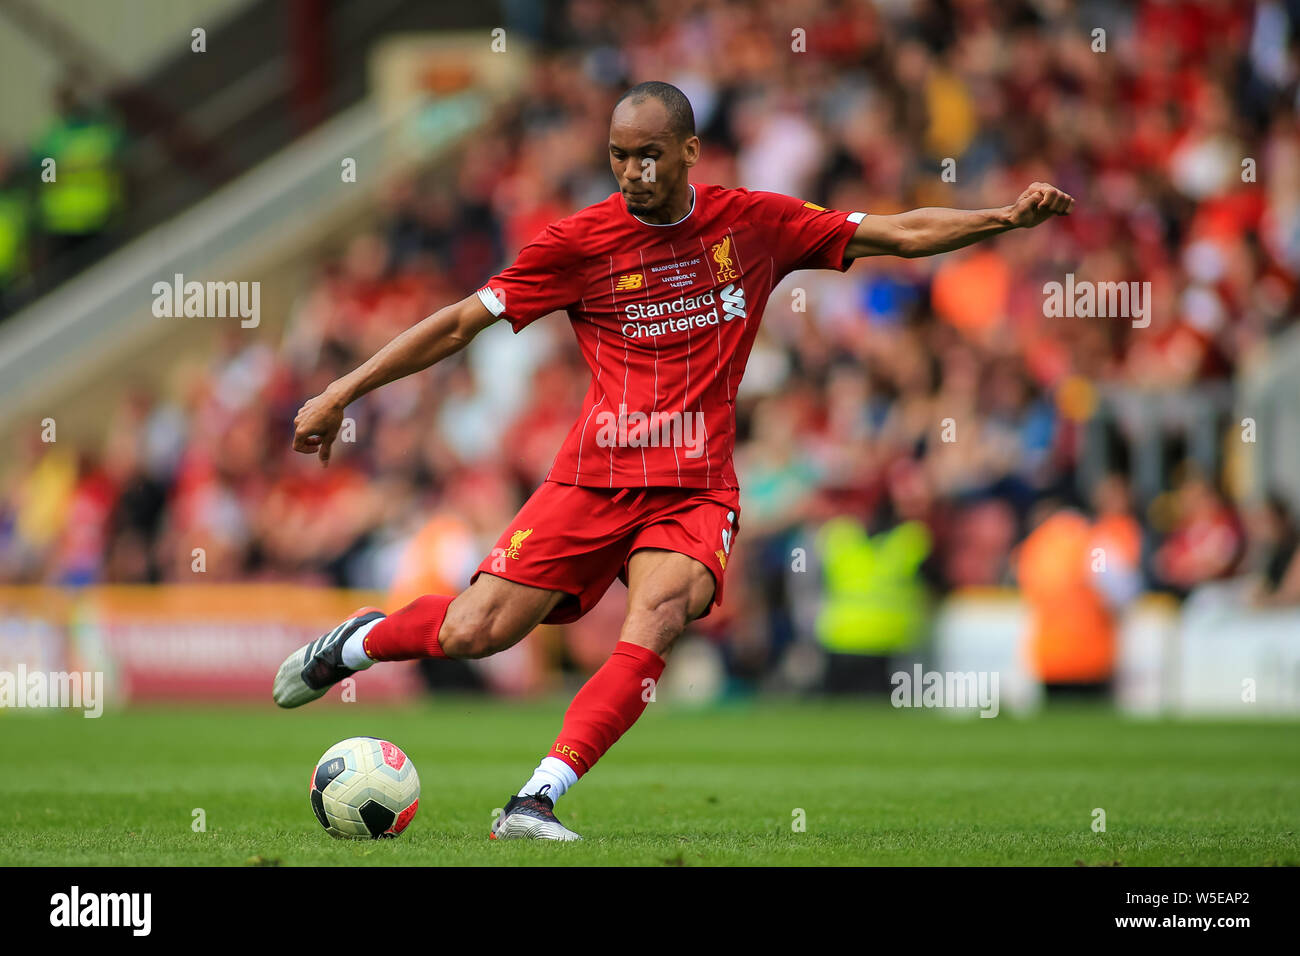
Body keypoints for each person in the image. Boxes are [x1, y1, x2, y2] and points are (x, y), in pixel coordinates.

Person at [273, 81, 1074, 840]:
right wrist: (343, 389)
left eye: (649, 154)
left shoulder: (754, 223)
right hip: (593, 476)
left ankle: (536, 796)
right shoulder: (580, 243)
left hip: (695, 488)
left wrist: (1000, 219)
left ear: (691, 150)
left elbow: (891, 232)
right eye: (619, 155)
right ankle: (357, 644)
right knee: (476, 631)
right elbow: (456, 324)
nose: (633, 171)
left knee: (660, 613)